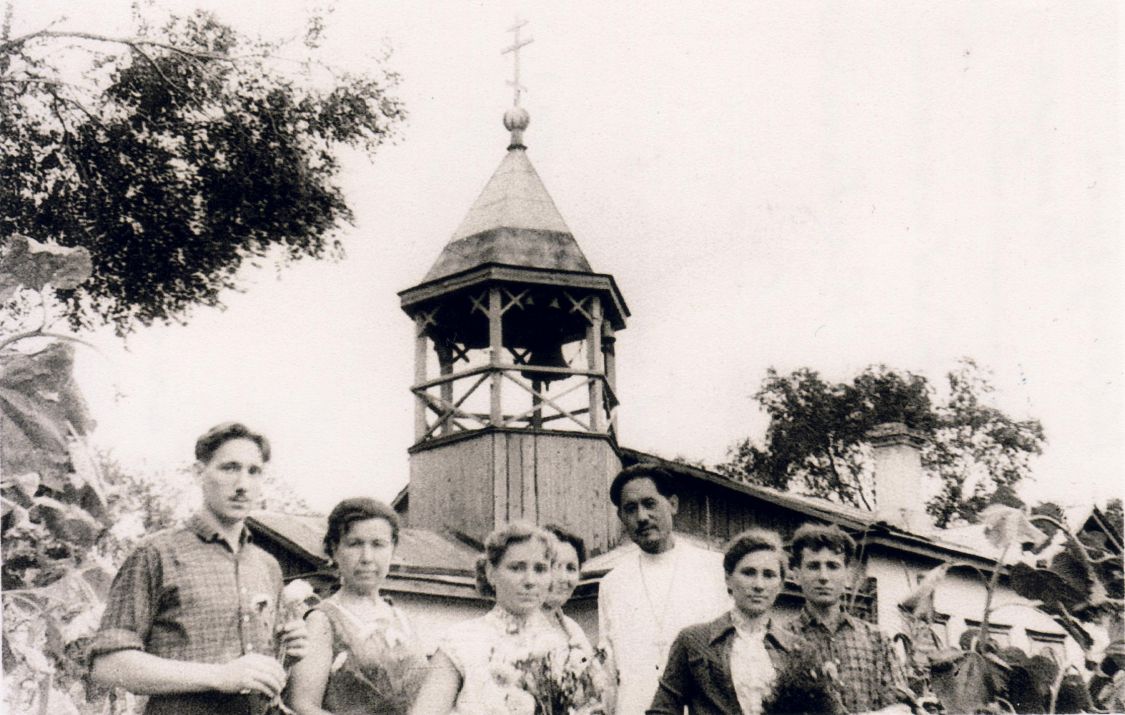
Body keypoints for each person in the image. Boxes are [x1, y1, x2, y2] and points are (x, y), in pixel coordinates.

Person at [89, 422, 308, 715]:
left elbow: (257, 676)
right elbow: (107, 665)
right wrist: (220, 676)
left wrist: (285, 655)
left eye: (253, 471)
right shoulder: (156, 553)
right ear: (198, 473)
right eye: (229, 468)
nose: (243, 484)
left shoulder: (267, 566)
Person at [409, 522, 606, 715]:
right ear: (491, 573)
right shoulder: (460, 640)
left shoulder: (562, 645)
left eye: (540, 569)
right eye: (516, 568)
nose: (530, 581)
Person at [598, 464, 729, 715]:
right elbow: (608, 672)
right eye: (630, 509)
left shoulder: (715, 569)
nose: (642, 517)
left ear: (673, 505)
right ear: (621, 518)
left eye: (650, 504)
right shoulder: (612, 583)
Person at [287, 497, 427, 715]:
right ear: (334, 550)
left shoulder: (402, 619)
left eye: (378, 544)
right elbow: (303, 705)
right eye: (355, 544)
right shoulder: (323, 620)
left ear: (393, 548)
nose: (367, 557)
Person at [648, 529, 802, 715]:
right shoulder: (693, 641)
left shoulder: (797, 649)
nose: (758, 585)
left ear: (780, 585)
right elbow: (662, 710)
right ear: (728, 579)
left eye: (768, 575)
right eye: (748, 572)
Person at [784, 523, 912, 715]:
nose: (823, 576)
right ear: (795, 575)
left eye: (833, 566)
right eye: (813, 566)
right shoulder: (782, 640)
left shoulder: (877, 640)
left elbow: (902, 708)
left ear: (848, 575)